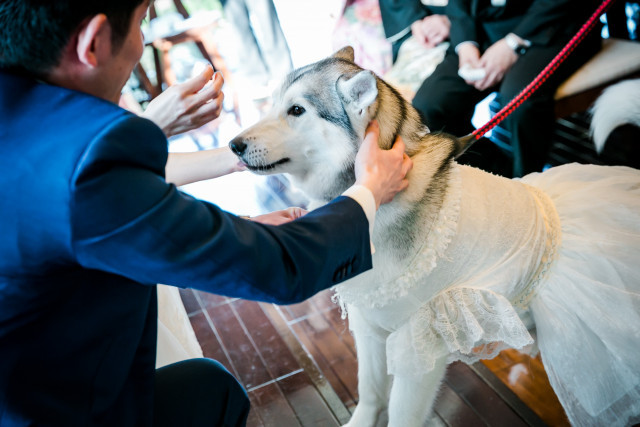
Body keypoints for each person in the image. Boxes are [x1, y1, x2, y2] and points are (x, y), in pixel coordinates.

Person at [0, 1, 413, 426]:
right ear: (93, 43)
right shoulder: (86, 169)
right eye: (142, 22)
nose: (143, 42)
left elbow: (108, 215)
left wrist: (240, 219)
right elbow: (277, 267)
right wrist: (369, 191)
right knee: (213, 390)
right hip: (55, 408)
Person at [410, 0, 602, 178]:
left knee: (519, 102)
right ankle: (497, 173)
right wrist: (465, 44)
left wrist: (512, 44)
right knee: (426, 109)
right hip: (485, 25)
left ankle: (529, 180)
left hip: (552, 24)